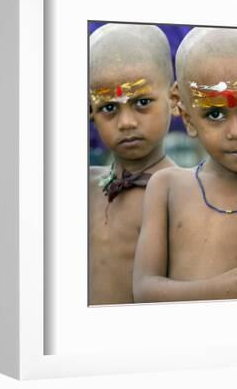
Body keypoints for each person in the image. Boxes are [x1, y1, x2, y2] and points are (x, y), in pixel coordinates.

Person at [132, 27, 237, 302]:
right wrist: (219, 291)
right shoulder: (167, 186)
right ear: (185, 114)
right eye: (215, 113)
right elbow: (144, 290)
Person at [89, 23, 176, 305]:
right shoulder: (82, 189)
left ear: (174, 100)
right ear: (91, 111)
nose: (126, 122)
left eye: (141, 102)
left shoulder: (185, 193)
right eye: (109, 107)